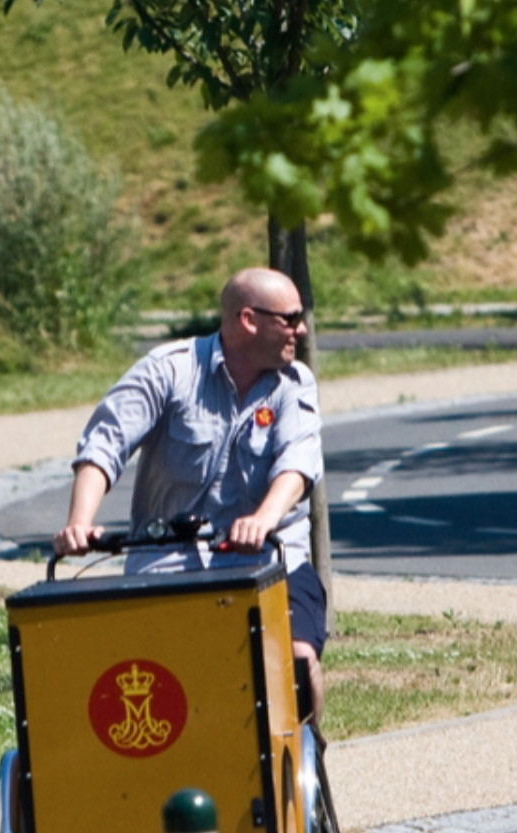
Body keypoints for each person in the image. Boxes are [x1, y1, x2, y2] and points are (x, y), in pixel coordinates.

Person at [52, 266, 328, 716]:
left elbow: (296, 464)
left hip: (270, 562)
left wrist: (263, 520)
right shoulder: (170, 370)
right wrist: (79, 524)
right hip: (169, 563)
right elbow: (105, 443)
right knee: (148, 678)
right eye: (290, 319)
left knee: (295, 656)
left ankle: (304, 749)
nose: (302, 330)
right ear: (248, 320)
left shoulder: (293, 383)